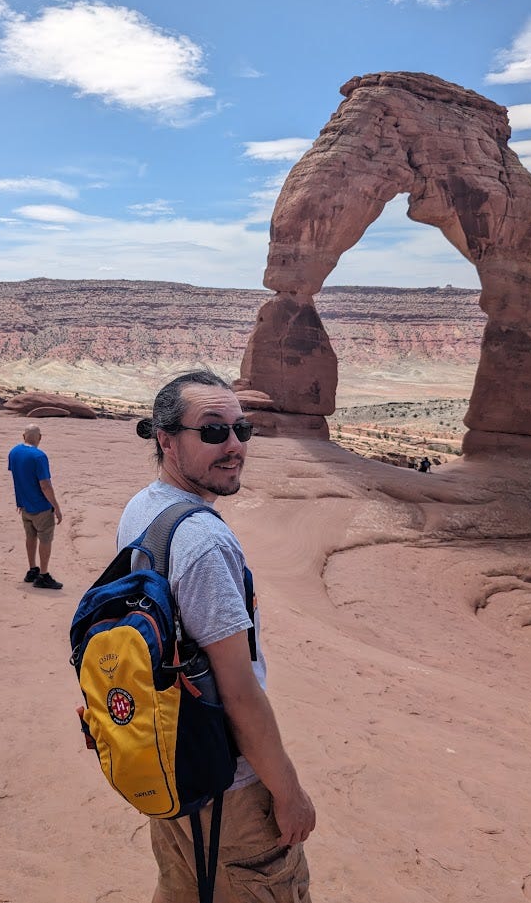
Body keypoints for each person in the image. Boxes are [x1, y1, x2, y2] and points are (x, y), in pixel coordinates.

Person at [119, 370, 315, 902]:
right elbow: (239, 692)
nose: (233, 446)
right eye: (212, 431)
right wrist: (288, 792)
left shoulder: (143, 507)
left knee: (181, 889)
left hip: (170, 767)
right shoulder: (205, 541)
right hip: (230, 791)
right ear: (165, 439)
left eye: (241, 430)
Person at [7, 424, 63, 589]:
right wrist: (57, 507)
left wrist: (20, 501)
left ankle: (32, 569)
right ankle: (43, 575)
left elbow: (17, 478)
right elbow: (45, 485)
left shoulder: (14, 452)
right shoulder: (39, 456)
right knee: (45, 539)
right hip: (41, 507)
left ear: (23, 436)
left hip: (24, 506)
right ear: (40, 438)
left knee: (30, 537)